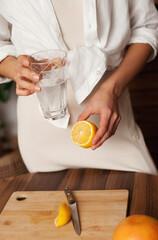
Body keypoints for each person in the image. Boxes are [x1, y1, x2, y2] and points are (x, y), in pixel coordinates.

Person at [0, 0, 158, 174]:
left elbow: (147, 27)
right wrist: (15, 70)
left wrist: (113, 88)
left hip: (111, 121)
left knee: (145, 197)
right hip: (42, 129)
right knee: (53, 200)